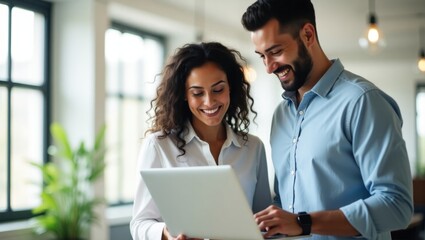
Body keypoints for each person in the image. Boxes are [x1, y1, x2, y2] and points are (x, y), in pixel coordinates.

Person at [241, 0, 413, 239]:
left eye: (276, 51)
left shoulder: (362, 101)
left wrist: (304, 223)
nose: (269, 67)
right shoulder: (281, 115)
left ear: (308, 35)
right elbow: (285, 204)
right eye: (261, 56)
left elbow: (397, 206)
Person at [129, 41, 272, 240]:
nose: (209, 101)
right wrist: (165, 233)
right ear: (184, 96)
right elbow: (139, 224)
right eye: (197, 93)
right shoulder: (159, 145)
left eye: (218, 89)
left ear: (230, 87)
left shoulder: (253, 148)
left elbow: (264, 221)